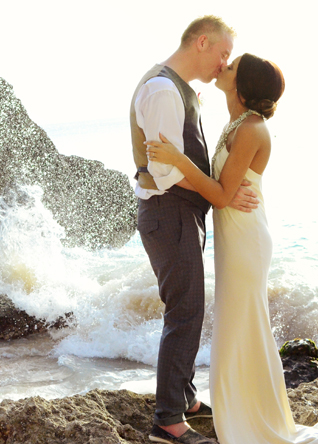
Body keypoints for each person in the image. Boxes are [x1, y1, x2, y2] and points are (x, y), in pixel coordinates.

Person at [147, 54, 318, 443]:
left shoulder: (252, 129)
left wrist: (177, 160)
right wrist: (218, 185)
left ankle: (254, 417)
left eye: (231, 67)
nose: (222, 67)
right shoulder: (236, 123)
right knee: (237, 325)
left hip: (247, 240)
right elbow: (222, 186)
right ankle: (241, 406)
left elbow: (222, 195)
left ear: (242, 87)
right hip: (236, 238)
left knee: (243, 326)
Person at [130, 16, 259, 444]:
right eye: (222, 53)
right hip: (169, 212)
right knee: (184, 312)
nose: (224, 65)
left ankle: (184, 397)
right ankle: (167, 421)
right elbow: (166, 172)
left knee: (189, 308)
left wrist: (223, 190)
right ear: (202, 42)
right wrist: (221, 193)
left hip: (176, 214)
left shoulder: (175, 87)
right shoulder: (164, 90)